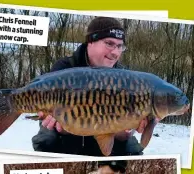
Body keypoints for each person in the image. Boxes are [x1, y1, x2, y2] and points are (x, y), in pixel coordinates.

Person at [32, 16, 150, 156]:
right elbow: (46, 112)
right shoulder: (65, 67)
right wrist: (65, 126)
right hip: (66, 128)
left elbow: (121, 130)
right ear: (90, 42)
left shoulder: (124, 77)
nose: (115, 52)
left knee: (132, 149)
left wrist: (124, 130)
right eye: (109, 43)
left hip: (106, 129)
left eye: (120, 46)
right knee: (47, 140)